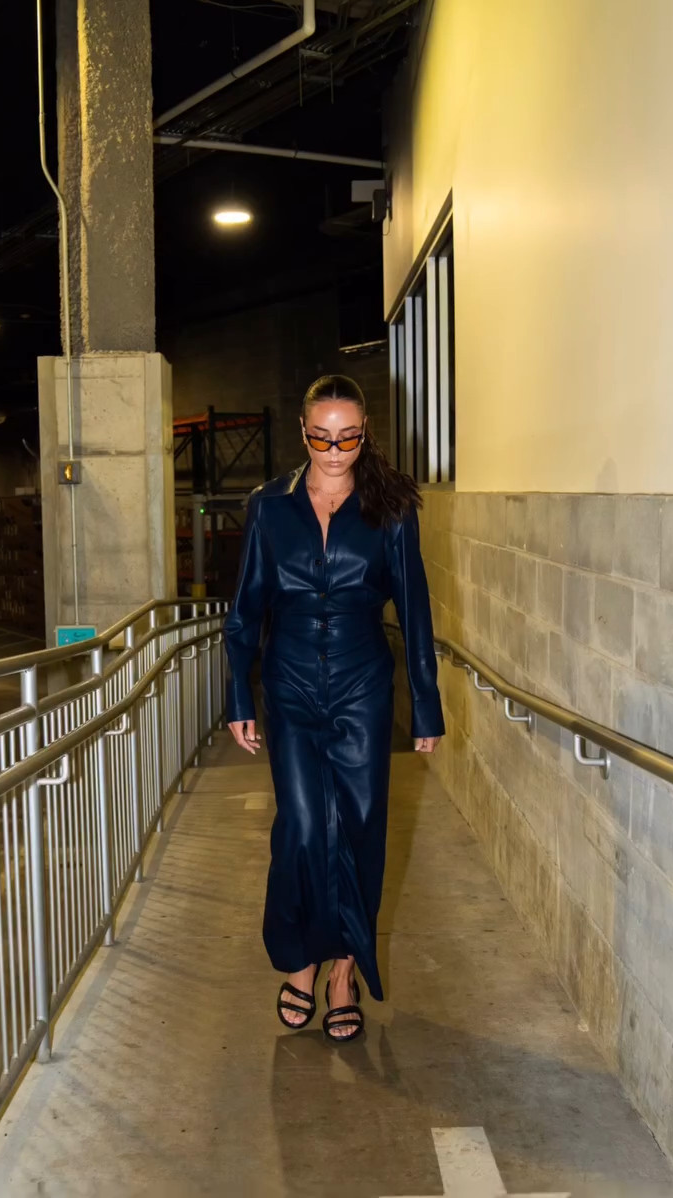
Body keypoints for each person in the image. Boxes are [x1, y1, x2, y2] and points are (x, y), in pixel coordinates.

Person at [224, 374, 444, 1042]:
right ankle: (300, 961)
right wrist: (238, 695)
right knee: (300, 826)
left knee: (359, 825)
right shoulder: (270, 507)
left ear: (365, 432)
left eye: (348, 437)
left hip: (362, 685)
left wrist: (426, 706)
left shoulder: (391, 508)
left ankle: (343, 971)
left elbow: (415, 611)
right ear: (303, 433)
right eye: (322, 437)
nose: (335, 450)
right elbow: (244, 611)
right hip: (289, 684)